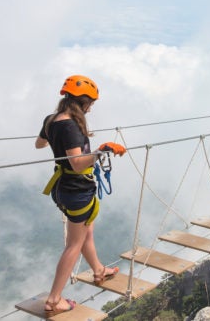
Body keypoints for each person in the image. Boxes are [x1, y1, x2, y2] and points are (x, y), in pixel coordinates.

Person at [35, 75, 126, 316]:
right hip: (76, 189)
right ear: (82, 102)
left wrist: (57, 140)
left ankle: (98, 270)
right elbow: (76, 163)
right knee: (73, 245)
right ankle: (54, 299)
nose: (91, 108)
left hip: (62, 187)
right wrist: (100, 151)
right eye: (90, 103)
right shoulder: (70, 126)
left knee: (87, 231)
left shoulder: (51, 120)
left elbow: (39, 144)